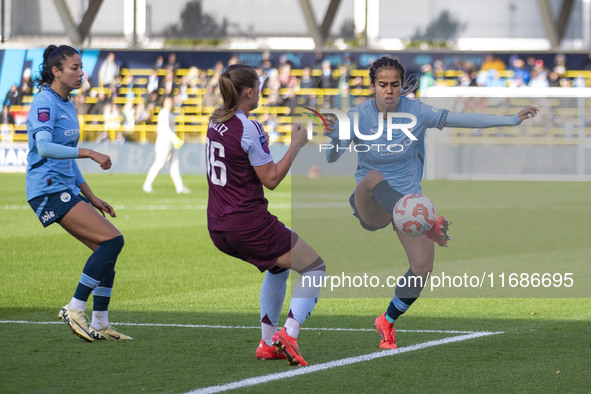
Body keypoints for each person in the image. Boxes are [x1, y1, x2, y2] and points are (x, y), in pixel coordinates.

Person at [324, 56, 538, 350]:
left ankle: (387, 321)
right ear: (372, 86)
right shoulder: (357, 116)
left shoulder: (417, 111)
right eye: (383, 85)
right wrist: (335, 138)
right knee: (372, 176)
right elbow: (332, 157)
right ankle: (428, 219)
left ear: (402, 86)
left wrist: (512, 119)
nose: (389, 90)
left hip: (410, 202)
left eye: (395, 85)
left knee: (422, 267)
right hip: (370, 201)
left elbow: (461, 119)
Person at [206, 64, 326, 366]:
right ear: (249, 91)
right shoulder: (249, 127)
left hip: (218, 226)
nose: (260, 92)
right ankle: (289, 334)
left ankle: (268, 343)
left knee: (278, 267)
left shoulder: (215, 120)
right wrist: (295, 147)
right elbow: (271, 179)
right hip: (247, 222)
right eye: (258, 87)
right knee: (315, 267)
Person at [25, 45, 132, 342]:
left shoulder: (67, 102)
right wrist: (90, 152)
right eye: (74, 67)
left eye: (81, 66)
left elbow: (67, 159)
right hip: (47, 190)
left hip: (66, 186)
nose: (81, 73)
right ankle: (74, 308)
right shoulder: (44, 104)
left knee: (106, 250)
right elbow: (44, 148)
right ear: (55, 71)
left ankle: (100, 322)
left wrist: (92, 196)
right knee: (112, 241)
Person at [142, 96, 188, 194]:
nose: (170, 104)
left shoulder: (170, 114)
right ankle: (147, 184)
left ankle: (179, 187)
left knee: (175, 164)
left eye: (171, 102)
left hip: (171, 142)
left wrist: (174, 139)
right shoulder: (163, 113)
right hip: (164, 142)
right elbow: (165, 128)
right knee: (159, 163)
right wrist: (175, 139)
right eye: (168, 102)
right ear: (164, 103)